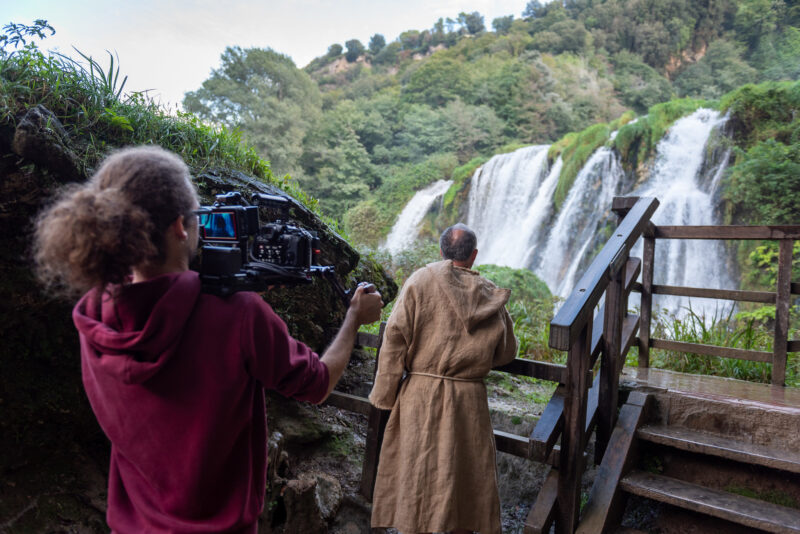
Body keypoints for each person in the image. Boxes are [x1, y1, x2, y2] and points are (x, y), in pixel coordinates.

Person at [32, 145, 383, 533]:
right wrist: (353, 318)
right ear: (181, 227)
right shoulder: (238, 314)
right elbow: (317, 384)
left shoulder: (93, 313)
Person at [369, 223, 518, 534]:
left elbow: (394, 338)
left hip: (421, 394)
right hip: (469, 401)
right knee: (463, 472)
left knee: (419, 466)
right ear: (474, 255)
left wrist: (384, 394)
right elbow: (506, 353)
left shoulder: (420, 281)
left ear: (441, 251)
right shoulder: (490, 295)